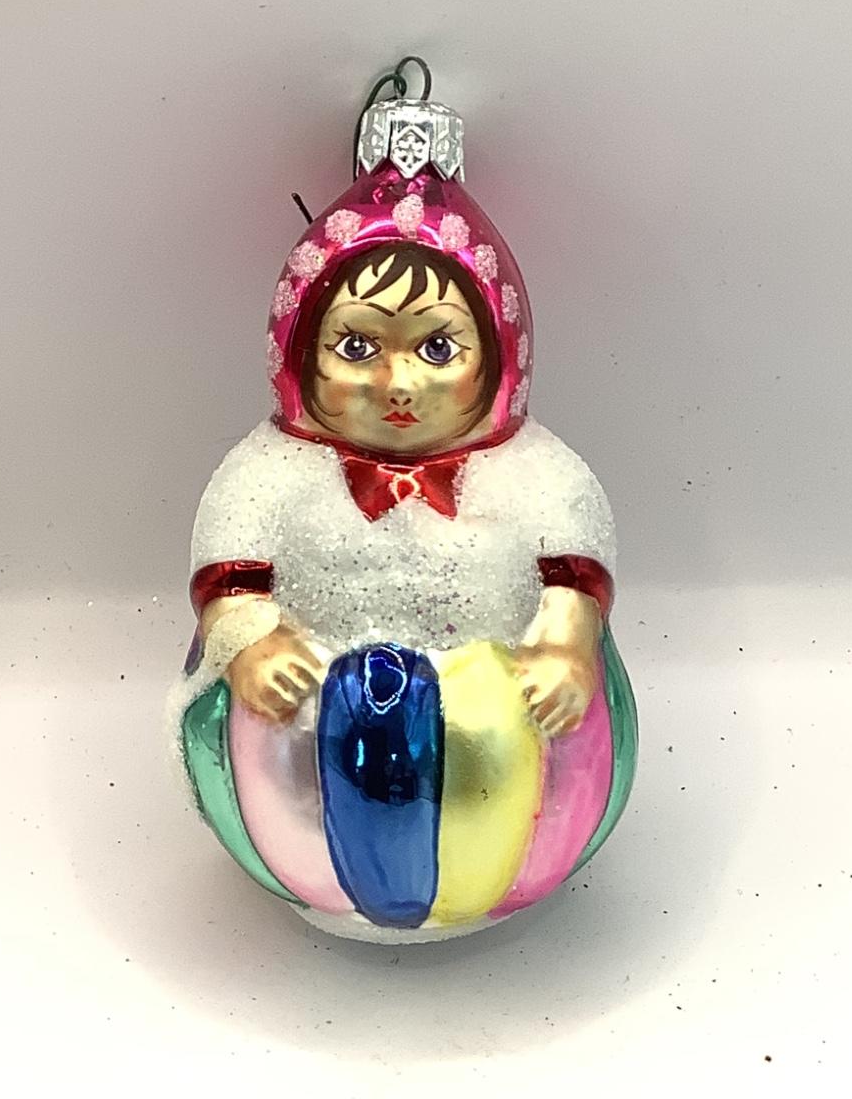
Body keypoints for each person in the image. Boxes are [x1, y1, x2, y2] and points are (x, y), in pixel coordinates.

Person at [168, 149, 636, 942]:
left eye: (438, 348)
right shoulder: (271, 471)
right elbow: (229, 573)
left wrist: (564, 643)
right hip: (302, 733)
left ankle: (502, 854)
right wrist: (249, 641)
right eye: (356, 348)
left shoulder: (532, 470)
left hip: (506, 728)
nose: (399, 384)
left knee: (512, 713)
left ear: (498, 354)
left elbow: (574, 569)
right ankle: (317, 859)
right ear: (299, 350)